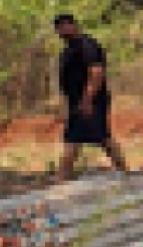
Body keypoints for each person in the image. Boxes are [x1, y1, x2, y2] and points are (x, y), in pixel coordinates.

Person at [53, 13, 129, 180]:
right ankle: (62, 176)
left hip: (91, 101)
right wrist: (67, 106)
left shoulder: (87, 45)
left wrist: (87, 100)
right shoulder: (68, 50)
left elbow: (96, 73)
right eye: (59, 28)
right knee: (75, 138)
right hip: (77, 102)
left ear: (74, 25)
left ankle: (124, 172)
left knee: (102, 138)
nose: (62, 30)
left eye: (66, 26)